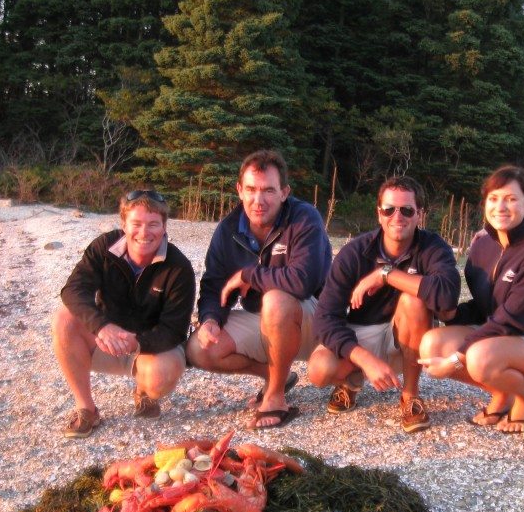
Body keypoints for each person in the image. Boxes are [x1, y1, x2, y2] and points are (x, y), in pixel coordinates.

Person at [418, 165, 524, 433]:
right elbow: (487, 307)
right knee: (432, 343)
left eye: (511, 199)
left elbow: (512, 317)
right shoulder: (482, 245)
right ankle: (504, 393)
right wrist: (454, 316)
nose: (500, 207)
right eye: (493, 199)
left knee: (479, 356)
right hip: (506, 334)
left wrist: (456, 359)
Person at [186, 150, 331, 430]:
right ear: (239, 190)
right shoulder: (228, 229)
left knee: (276, 298)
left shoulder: (304, 218)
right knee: (199, 349)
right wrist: (211, 319)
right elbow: (215, 283)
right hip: (267, 320)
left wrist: (249, 274)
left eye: (268, 190)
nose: (258, 200)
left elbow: (303, 281)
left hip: (315, 320)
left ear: (284, 192)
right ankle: (276, 375)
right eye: (251, 189)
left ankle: (275, 398)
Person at [308, 175, 460, 433]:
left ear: (419, 214)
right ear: (379, 214)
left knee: (414, 300)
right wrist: (364, 358)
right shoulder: (354, 253)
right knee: (319, 370)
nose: (397, 216)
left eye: (406, 210)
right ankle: (351, 381)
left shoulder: (433, 247)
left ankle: (410, 395)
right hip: (362, 333)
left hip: (407, 338)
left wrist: (386, 275)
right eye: (389, 209)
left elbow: (448, 297)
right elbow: (324, 318)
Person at [53, 189, 195, 438]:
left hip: (151, 347)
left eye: (153, 224)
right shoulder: (103, 247)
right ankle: (86, 408)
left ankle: (144, 392)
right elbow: (73, 290)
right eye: (136, 223)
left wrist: (137, 342)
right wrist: (102, 326)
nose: (144, 232)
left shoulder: (178, 267)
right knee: (64, 319)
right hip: (107, 340)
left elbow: (175, 329)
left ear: (164, 227)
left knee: (159, 378)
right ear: (123, 224)